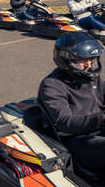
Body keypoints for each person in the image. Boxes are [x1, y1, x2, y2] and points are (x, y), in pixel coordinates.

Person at [38, 32, 105, 174]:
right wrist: (100, 119)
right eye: (83, 60)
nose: (89, 65)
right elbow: (64, 122)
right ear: (67, 61)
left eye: (92, 59)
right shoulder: (52, 85)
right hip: (74, 139)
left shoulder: (92, 78)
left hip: (98, 129)